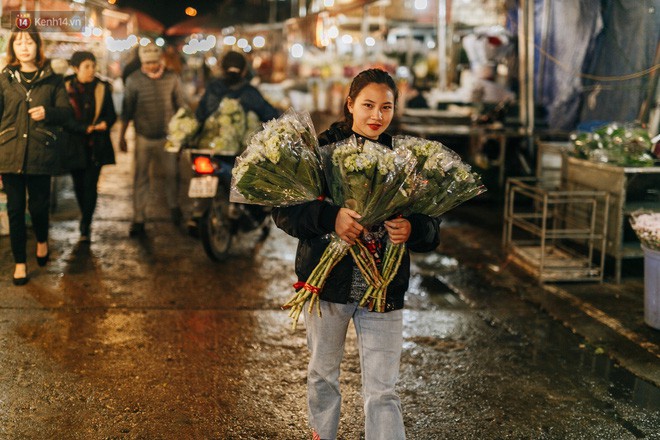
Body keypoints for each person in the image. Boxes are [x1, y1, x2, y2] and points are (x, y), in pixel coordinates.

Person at [271, 69, 441, 440]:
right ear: (350, 105)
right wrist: (331, 217)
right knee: (322, 376)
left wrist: (415, 229)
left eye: (386, 107)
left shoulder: (405, 159)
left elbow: (432, 227)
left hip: (383, 290)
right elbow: (284, 212)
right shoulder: (320, 152)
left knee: (383, 390)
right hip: (329, 285)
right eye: (368, 105)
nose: (376, 116)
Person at [0, 29, 73, 285]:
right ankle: (20, 262)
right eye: (18, 42)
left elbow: (66, 113)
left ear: (38, 46)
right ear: (13, 48)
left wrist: (48, 113)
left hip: (40, 153)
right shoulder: (5, 78)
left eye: (28, 42)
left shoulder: (52, 79)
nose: (24, 47)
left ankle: (42, 239)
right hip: (9, 153)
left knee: (39, 207)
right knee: (15, 209)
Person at [119, 43, 185, 237]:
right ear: (141, 62)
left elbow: (180, 105)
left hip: (167, 137)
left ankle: (174, 207)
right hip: (143, 137)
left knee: (172, 174)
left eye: (154, 62)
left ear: (161, 60)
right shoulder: (133, 80)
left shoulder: (172, 78)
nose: (151, 66)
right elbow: (127, 110)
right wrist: (122, 136)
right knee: (140, 177)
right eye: (147, 63)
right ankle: (138, 218)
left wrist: (183, 132)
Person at [63, 51, 117, 242]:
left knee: (91, 185)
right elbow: (63, 117)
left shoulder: (102, 87)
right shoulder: (65, 88)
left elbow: (111, 114)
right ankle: (85, 215)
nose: (91, 70)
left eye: (93, 66)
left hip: (97, 145)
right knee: (78, 184)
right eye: (87, 66)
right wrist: (84, 128)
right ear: (76, 68)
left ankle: (86, 223)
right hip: (74, 145)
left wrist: (105, 124)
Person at [195, 51, 278, 125]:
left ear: (222, 69)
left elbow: (199, 116)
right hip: (245, 142)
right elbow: (272, 116)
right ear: (244, 71)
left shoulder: (212, 88)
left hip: (212, 141)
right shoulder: (250, 92)